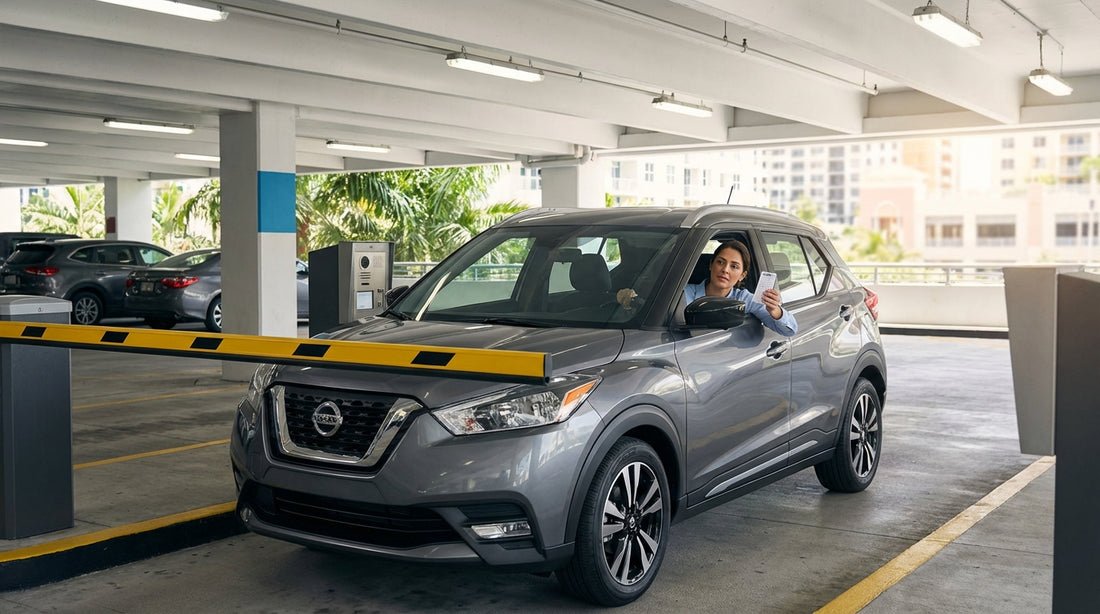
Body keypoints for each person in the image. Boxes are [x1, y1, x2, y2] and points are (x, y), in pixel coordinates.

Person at [683, 240, 797, 337]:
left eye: (734, 266)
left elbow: (789, 331)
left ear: (742, 275)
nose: (725, 270)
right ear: (711, 265)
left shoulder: (745, 299)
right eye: (720, 262)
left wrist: (775, 310)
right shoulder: (683, 294)